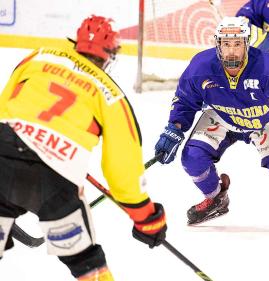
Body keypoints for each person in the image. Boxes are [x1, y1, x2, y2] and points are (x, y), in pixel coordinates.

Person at [0, 15, 167, 280]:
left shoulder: (38, 57)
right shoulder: (111, 94)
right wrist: (146, 217)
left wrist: (28, 140)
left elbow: (7, 103)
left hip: (3, 152)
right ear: (110, 54)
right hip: (54, 179)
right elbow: (122, 168)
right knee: (87, 265)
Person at [154, 16, 269, 235]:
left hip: (261, 122)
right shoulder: (201, 67)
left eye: (237, 44)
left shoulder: (265, 65)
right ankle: (216, 198)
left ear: (246, 43)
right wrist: (174, 129)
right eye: (226, 44)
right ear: (218, 44)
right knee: (192, 159)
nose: (232, 51)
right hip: (222, 117)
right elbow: (185, 101)